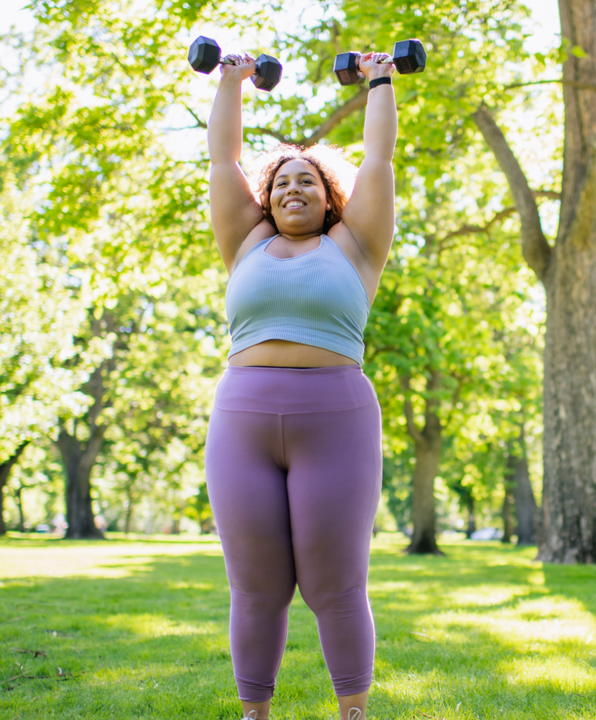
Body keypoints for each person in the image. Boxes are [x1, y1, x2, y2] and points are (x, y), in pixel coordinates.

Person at [201, 46, 399, 720]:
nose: (293, 188)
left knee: (335, 584)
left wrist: (379, 80)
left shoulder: (357, 245)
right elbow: (222, 161)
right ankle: (255, 715)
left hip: (335, 419)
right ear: (266, 196)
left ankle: (354, 713)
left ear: (329, 198)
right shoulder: (244, 242)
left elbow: (378, 162)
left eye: (308, 181)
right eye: (282, 181)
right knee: (256, 586)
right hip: (243, 421)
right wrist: (231, 80)